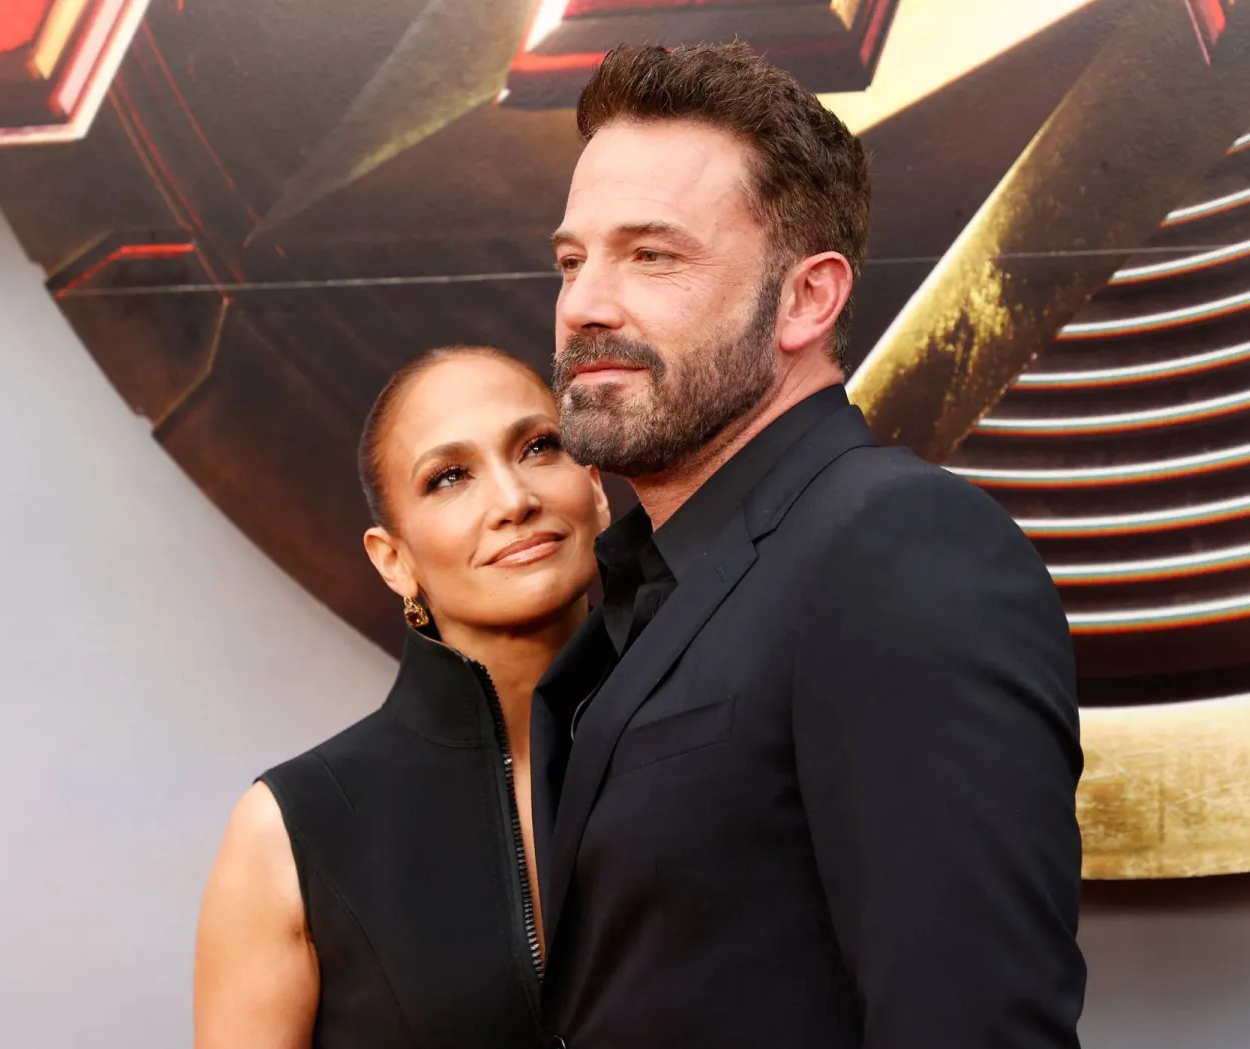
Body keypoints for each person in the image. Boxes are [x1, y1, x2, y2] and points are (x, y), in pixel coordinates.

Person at [533, 43, 1087, 1049]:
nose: (586, 305)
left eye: (651, 254)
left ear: (808, 299)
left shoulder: (899, 547)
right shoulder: (649, 583)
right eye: (574, 259)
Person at [193, 346, 611, 1049]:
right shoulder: (295, 831)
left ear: (595, 487)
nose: (513, 500)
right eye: (449, 478)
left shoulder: (720, 737)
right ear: (395, 559)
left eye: (540, 447)